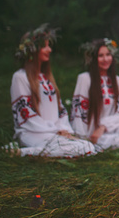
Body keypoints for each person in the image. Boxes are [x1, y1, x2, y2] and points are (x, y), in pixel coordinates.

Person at [9, 24, 95, 157]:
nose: (49, 50)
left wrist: (63, 128)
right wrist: (55, 130)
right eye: (45, 46)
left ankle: (31, 153)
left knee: (88, 147)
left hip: (53, 133)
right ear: (33, 50)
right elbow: (25, 115)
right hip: (32, 133)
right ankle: (24, 152)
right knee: (81, 148)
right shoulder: (20, 77)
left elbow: (60, 109)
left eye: (49, 46)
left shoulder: (46, 78)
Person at [71, 38, 119, 151]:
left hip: (113, 128)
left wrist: (104, 126)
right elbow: (78, 112)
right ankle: (94, 145)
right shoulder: (85, 79)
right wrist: (81, 137)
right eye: (100, 55)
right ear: (93, 58)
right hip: (93, 133)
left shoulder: (118, 81)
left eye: (108, 54)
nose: (105, 59)